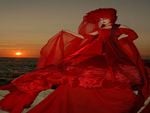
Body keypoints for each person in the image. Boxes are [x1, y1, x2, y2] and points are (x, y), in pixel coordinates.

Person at [0, 8, 149, 113]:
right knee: (89, 78)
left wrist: (107, 30)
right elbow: (131, 35)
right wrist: (110, 30)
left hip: (102, 59)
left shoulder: (111, 29)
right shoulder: (114, 29)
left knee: (85, 77)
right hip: (101, 59)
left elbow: (124, 35)